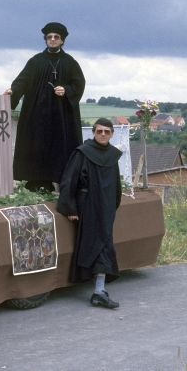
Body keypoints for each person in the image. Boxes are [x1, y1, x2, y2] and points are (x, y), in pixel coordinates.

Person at [3, 22, 85, 192]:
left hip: (62, 116)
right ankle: (36, 183)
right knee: (36, 145)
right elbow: (22, 81)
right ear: (46, 40)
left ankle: (63, 184)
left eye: (56, 37)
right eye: (49, 37)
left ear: (62, 41)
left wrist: (66, 90)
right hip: (37, 114)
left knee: (60, 146)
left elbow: (78, 84)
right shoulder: (35, 61)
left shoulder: (70, 63)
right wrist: (13, 91)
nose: (52, 39)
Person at [56, 118, 122, 309]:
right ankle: (99, 292)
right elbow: (69, 180)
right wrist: (70, 208)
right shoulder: (82, 152)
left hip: (106, 207)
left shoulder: (113, 155)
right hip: (88, 205)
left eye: (107, 131)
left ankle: (99, 291)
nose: (103, 134)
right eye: (99, 131)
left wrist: (113, 206)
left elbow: (116, 184)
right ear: (93, 133)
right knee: (99, 244)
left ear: (112, 134)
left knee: (104, 243)